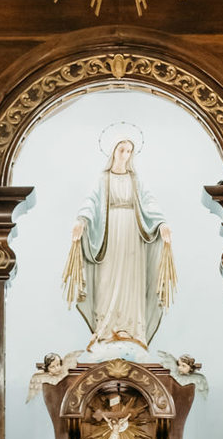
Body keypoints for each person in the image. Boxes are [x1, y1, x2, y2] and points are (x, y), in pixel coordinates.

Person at [64, 132, 176, 348]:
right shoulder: (103, 179)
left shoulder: (135, 180)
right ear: (113, 151)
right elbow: (91, 202)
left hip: (133, 235)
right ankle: (106, 331)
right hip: (109, 234)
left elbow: (149, 203)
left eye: (129, 151)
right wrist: (81, 220)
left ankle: (132, 331)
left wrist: (162, 223)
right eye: (121, 150)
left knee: (132, 279)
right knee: (106, 280)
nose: (125, 155)